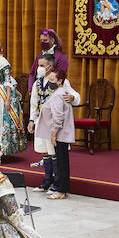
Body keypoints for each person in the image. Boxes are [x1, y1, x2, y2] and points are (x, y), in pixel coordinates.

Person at [37, 66, 75, 199]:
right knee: (61, 161)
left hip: (60, 134)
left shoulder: (59, 94)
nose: (50, 81)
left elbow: (58, 117)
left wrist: (53, 135)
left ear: (59, 81)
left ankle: (61, 190)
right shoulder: (59, 92)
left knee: (61, 163)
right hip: (60, 133)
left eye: (52, 79)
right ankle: (61, 188)